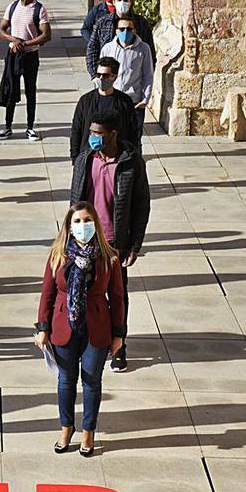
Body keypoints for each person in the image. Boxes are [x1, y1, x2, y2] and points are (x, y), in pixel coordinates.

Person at [35, 203, 125, 457]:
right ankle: (66, 427)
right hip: (64, 326)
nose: (82, 226)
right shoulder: (58, 255)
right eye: (77, 221)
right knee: (65, 380)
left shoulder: (109, 257)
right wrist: (43, 327)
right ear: (68, 226)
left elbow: (118, 298)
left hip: (97, 327)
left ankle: (88, 431)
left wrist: (119, 334)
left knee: (91, 381)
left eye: (87, 220)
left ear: (95, 223)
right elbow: (47, 294)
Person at [68, 109, 150, 372]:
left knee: (117, 296)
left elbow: (141, 205)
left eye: (98, 133)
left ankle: (118, 346)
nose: (93, 138)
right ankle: (88, 342)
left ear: (113, 134)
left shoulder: (131, 162)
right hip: (84, 240)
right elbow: (74, 202)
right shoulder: (85, 159)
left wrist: (134, 244)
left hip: (114, 241)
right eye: (91, 132)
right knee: (82, 291)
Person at [0, 0, 51, 141]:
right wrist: (13, 39)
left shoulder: (39, 9)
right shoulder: (13, 6)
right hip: (13, 55)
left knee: (30, 90)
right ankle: (7, 127)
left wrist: (25, 43)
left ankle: (30, 127)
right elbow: (1, 29)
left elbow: (46, 35)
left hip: (30, 56)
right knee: (11, 89)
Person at [70, 57, 135, 161]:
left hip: (115, 158)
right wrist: (75, 157)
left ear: (114, 77)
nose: (101, 78)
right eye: (98, 75)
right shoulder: (85, 101)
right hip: (89, 157)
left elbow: (132, 131)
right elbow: (76, 130)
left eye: (105, 75)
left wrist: (132, 156)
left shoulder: (124, 102)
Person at [101, 15, 154, 138]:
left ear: (134, 30)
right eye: (122, 29)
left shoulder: (143, 49)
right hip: (112, 100)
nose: (125, 32)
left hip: (134, 102)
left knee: (134, 139)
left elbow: (148, 75)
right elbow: (102, 74)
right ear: (116, 30)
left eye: (129, 29)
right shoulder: (108, 48)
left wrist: (145, 99)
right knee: (111, 138)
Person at [85, 0, 155, 80]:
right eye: (119, 0)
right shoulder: (103, 23)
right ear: (114, 2)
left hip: (133, 81)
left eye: (125, 0)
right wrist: (95, 75)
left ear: (131, 2)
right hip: (107, 78)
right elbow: (92, 49)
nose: (122, 3)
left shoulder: (141, 23)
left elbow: (150, 52)